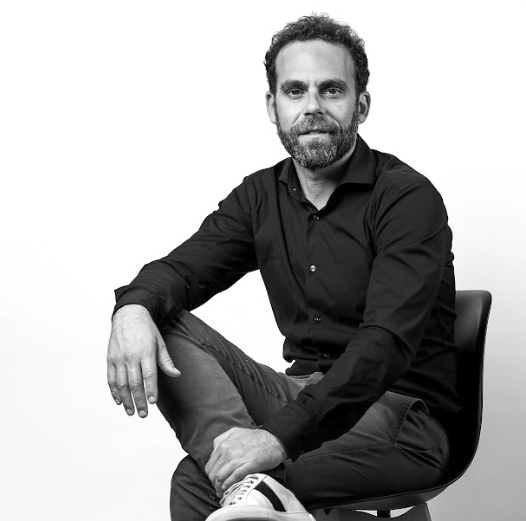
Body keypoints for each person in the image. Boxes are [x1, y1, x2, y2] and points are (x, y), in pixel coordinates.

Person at [107, 14, 460, 521]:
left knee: (199, 480)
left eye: (331, 89)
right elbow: (178, 272)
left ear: (361, 105)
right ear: (274, 107)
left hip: (401, 416)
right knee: (156, 312)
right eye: (295, 91)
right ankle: (247, 484)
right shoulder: (260, 197)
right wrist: (131, 310)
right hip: (300, 394)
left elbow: (383, 347)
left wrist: (274, 438)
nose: (312, 106)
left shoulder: (406, 199)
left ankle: (250, 484)